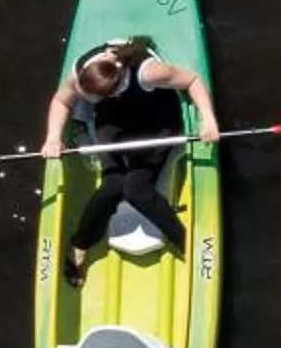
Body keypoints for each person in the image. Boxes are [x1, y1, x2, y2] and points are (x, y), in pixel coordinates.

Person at [41, 38, 220, 283]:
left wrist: (207, 120)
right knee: (111, 187)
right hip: (114, 126)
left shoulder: (150, 73)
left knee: (136, 190)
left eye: (90, 98)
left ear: (114, 88)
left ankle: (184, 241)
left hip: (154, 126)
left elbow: (192, 80)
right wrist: (53, 138)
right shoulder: (82, 73)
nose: (83, 99)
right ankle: (80, 243)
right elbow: (61, 101)